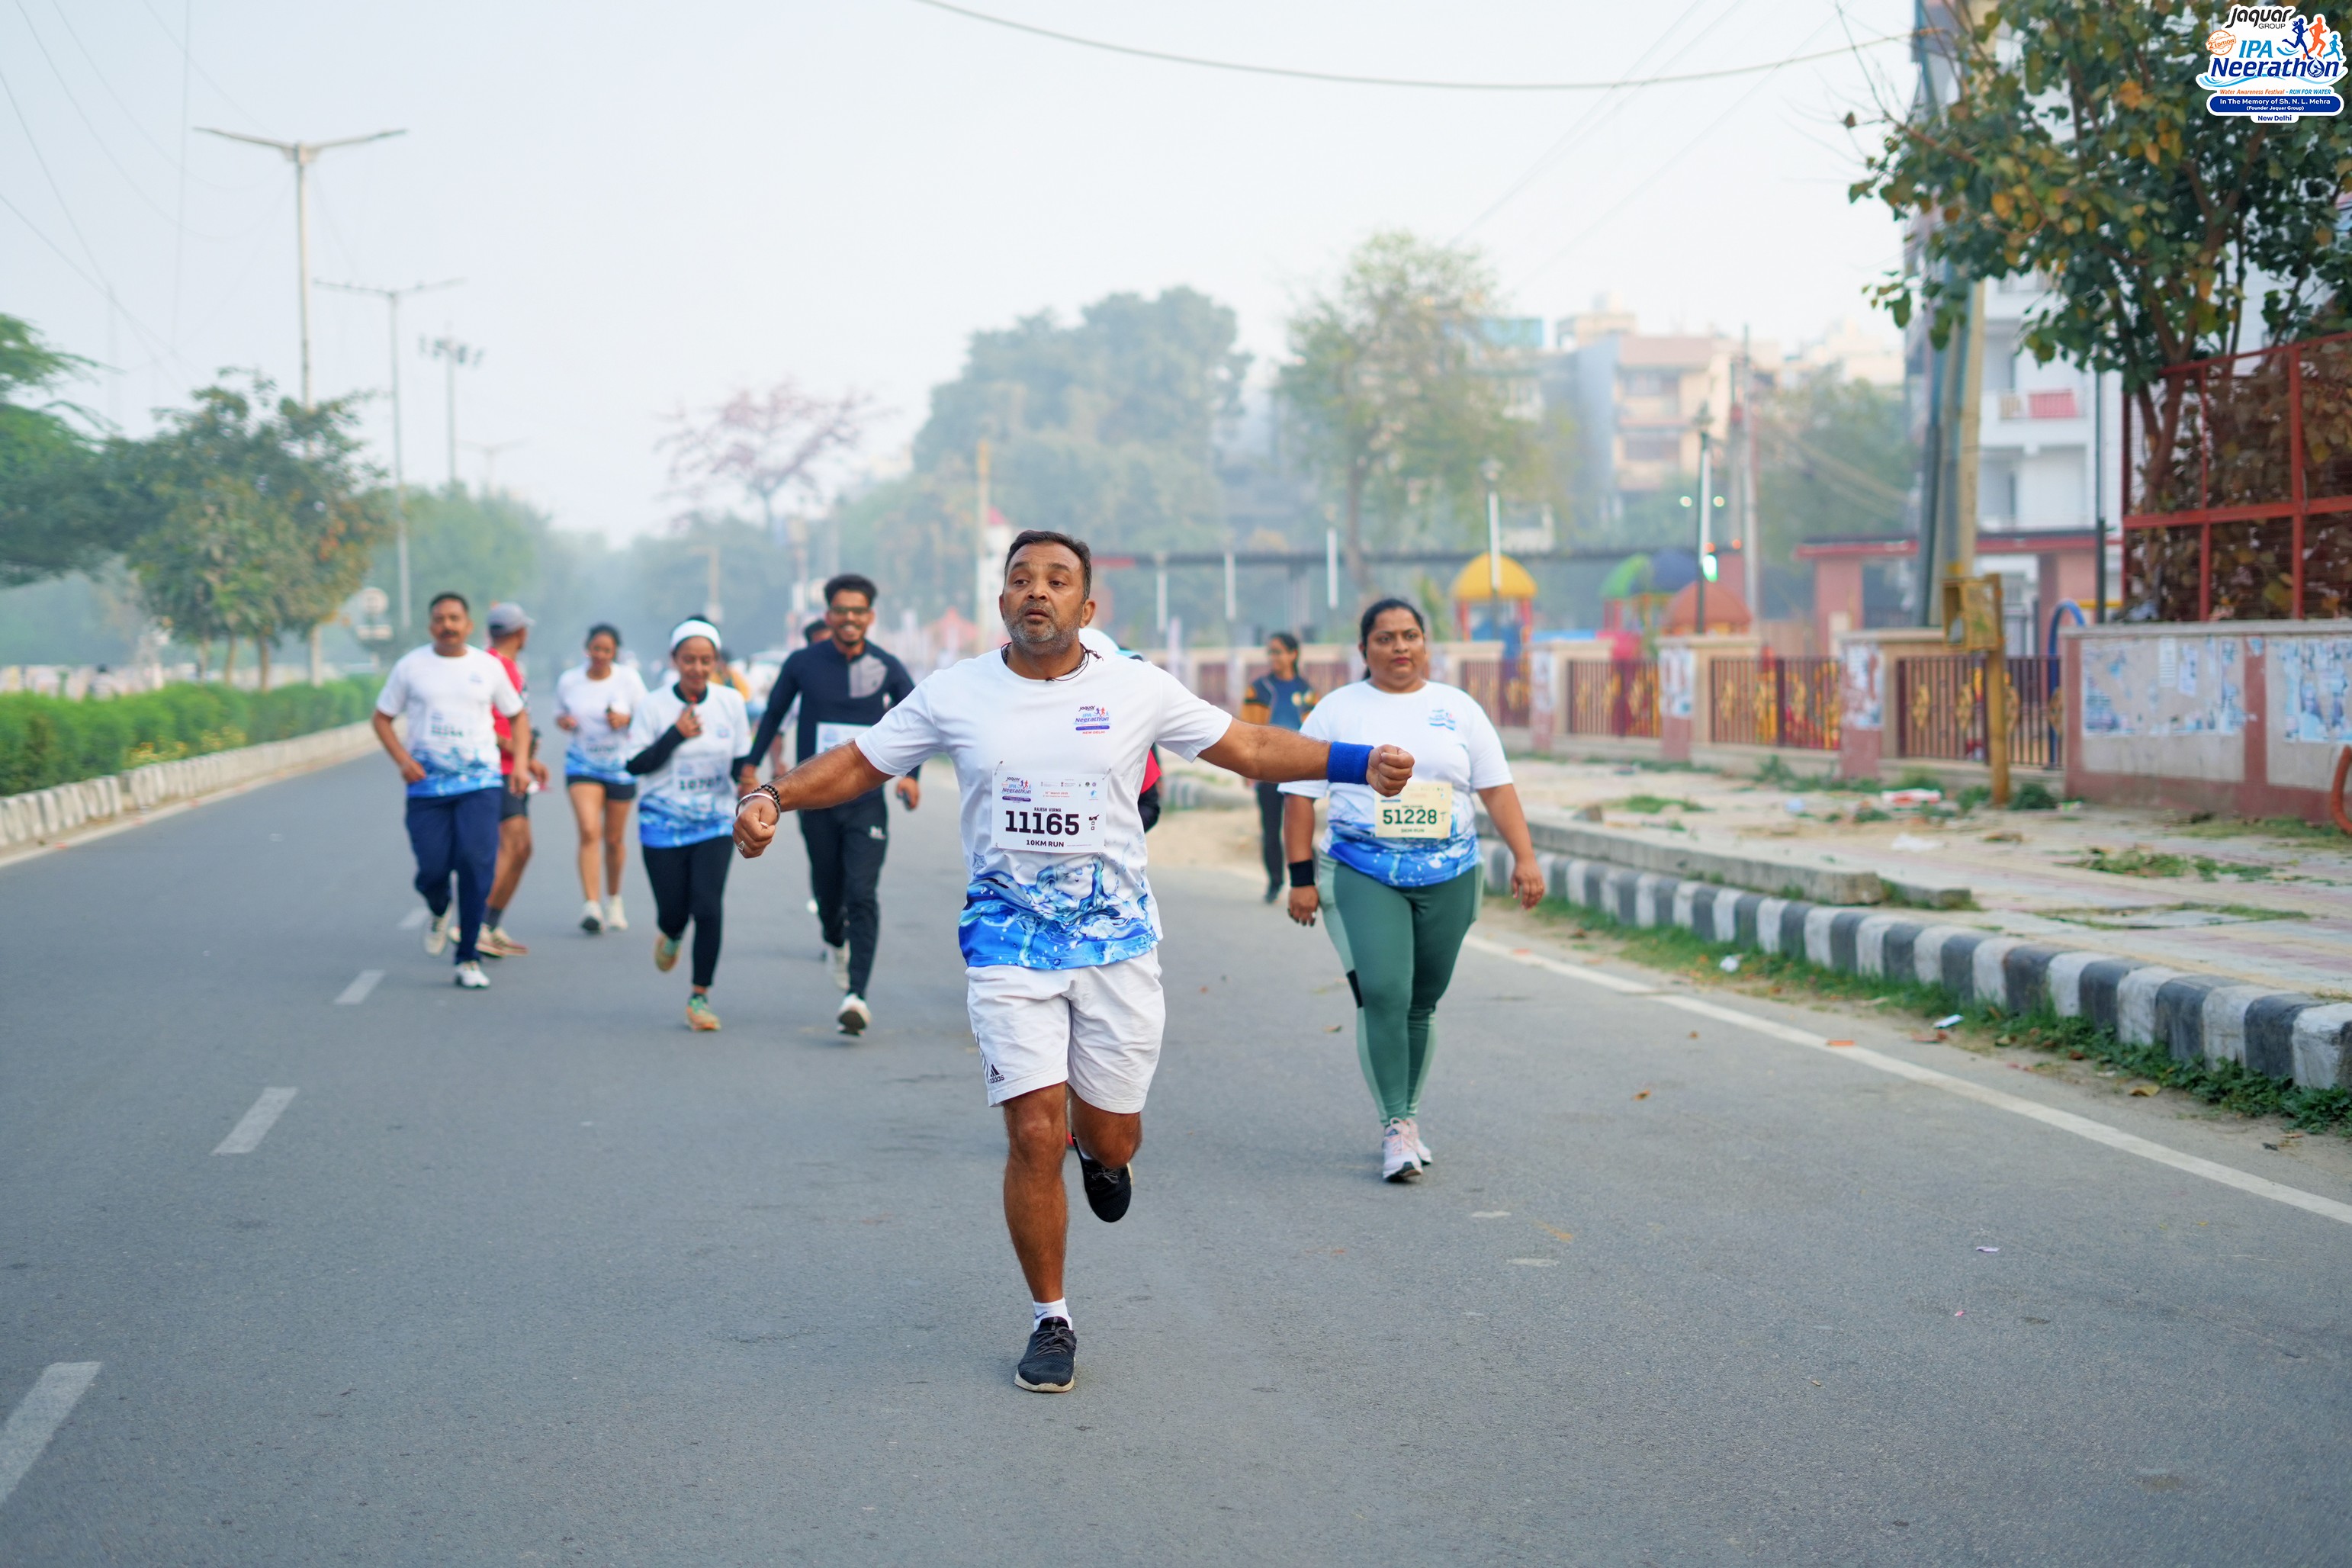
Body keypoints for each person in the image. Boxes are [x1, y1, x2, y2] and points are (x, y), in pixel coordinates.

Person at [734, 530, 1412, 1394]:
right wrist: (773, 794)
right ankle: (1049, 1317)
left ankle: (1105, 1155)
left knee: (1110, 1132)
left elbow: (1246, 747)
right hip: (1007, 940)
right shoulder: (957, 692)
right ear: (1002, 601)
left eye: (1057, 581)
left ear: (1086, 607)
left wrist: (1357, 763)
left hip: (1116, 943)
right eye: (1021, 579)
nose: (1037, 591)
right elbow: (862, 761)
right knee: (1033, 1131)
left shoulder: (1134, 687)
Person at [1280, 598, 1546, 1183]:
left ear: (1425, 643)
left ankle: (1409, 1114)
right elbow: (1299, 797)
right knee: (1384, 992)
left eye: (1409, 635)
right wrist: (1300, 879)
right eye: (1385, 638)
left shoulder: (1459, 709)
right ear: (1364, 649)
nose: (1399, 647)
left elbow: (1496, 789)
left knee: (1422, 1000)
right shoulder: (1337, 710)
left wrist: (1525, 859)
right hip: (1363, 870)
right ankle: (1397, 1125)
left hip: (1450, 873)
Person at [735, 573, 919, 1036]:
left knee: (862, 892)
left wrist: (912, 777)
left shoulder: (886, 666)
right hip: (816, 800)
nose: (849, 618)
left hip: (867, 800)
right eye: (841, 611)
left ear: (870, 617)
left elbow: (919, 719)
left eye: (858, 611)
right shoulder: (803, 663)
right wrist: (751, 767)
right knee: (828, 889)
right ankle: (834, 939)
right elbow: (774, 715)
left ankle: (856, 995)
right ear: (829, 616)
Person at [369, 592, 530, 990]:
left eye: (455, 618)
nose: (448, 625)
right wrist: (403, 761)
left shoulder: (487, 667)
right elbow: (382, 718)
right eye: (440, 619)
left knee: (476, 864)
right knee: (433, 869)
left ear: (468, 625)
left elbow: (518, 716)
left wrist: (521, 764)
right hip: (427, 787)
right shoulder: (412, 666)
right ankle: (439, 906)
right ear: (431, 626)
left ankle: (468, 957)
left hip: (480, 784)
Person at [627, 619, 751, 1031]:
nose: (697, 668)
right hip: (662, 823)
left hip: (714, 820)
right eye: (689, 660)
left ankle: (699, 997)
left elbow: (740, 762)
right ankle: (671, 933)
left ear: (715, 662)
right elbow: (635, 764)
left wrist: (748, 785)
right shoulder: (653, 705)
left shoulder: (730, 702)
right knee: (674, 911)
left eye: (705, 660)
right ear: (674, 660)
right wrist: (675, 734)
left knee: (708, 906)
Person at [555, 622, 648, 934]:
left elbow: (648, 718)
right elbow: (559, 714)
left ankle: (614, 900)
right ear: (587, 649)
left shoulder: (628, 680)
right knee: (588, 830)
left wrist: (626, 719)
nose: (600, 655)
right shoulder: (570, 681)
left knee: (614, 839)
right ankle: (591, 906)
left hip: (621, 766)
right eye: (596, 649)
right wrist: (565, 721)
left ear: (615, 653)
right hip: (582, 764)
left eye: (607, 650)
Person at [480, 602, 548, 956]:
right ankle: (477, 924)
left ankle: (490, 924)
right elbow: (481, 722)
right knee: (513, 847)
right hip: (499, 771)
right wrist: (517, 752)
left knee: (521, 849)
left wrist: (527, 759)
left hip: (513, 768)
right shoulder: (492, 667)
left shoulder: (506, 666)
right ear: (521, 633)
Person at [1239, 631, 1316, 901]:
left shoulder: (1307, 691)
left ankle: (1309, 880)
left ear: (1293, 654)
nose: (1274, 657)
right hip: (1268, 770)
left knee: (1301, 826)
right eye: (1271, 652)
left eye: (1279, 651)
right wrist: (1246, 768)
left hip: (1299, 771)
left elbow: (1316, 732)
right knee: (1271, 831)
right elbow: (1247, 730)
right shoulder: (1259, 689)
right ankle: (1274, 882)